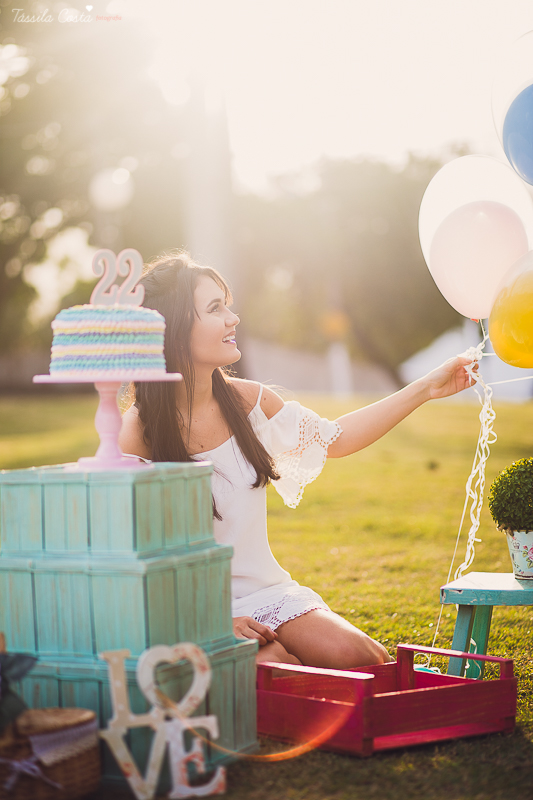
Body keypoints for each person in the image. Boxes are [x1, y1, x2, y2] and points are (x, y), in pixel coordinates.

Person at [119, 251, 475, 670]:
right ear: (175, 329)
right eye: (215, 308)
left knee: (364, 659)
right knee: (281, 668)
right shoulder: (138, 431)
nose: (233, 318)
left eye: (228, 304)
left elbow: (335, 438)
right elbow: (134, 558)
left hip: (268, 595)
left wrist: (426, 388)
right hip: (187, 609)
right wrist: (214, 620)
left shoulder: (250, 402)